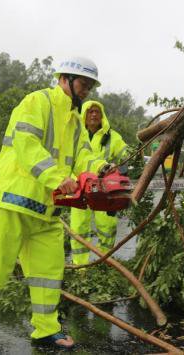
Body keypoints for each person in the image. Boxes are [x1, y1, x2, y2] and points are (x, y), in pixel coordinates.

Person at [0, 57, 113, 354]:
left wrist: (102, 167)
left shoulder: (75, 121)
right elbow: (25, 143)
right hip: (10, 204)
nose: (87, 90)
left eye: (91, 86)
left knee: (48, 275)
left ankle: (46, 331)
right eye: (83, 84)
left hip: (46, 211)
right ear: (64, 79)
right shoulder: (36, 102)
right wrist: (56, 178)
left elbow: (82, 156)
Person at [70, 100, 128, 265]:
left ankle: (106, 264)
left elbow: (126, 154)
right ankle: (80, 267)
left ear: (102, 115)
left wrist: (129, 162)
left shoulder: (112, 137)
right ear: (84, 115)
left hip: (105, 189)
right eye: (90, 111)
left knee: (107, 227)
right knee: (79, 227)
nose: (93, 114)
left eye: (97, 111)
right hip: (80, 188)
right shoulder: (76, 135)